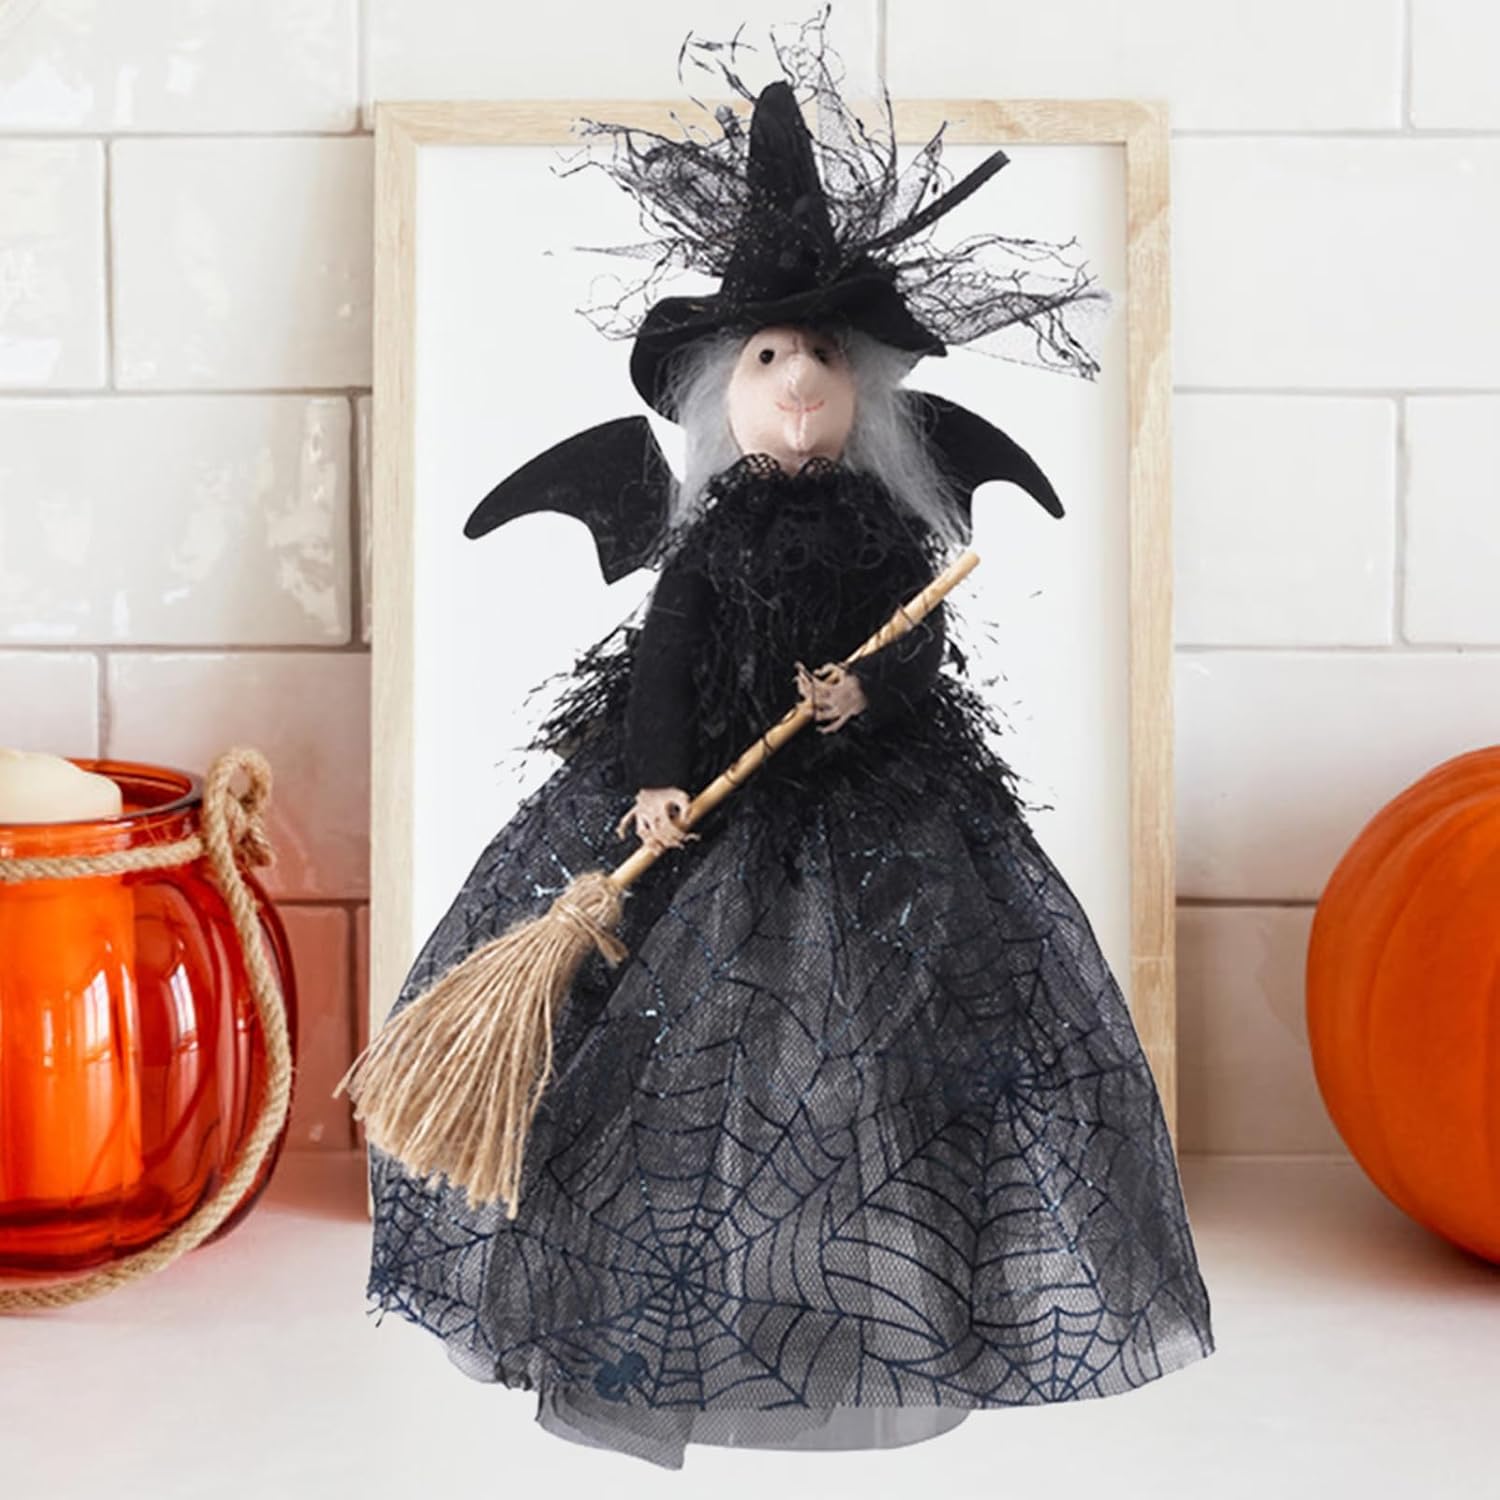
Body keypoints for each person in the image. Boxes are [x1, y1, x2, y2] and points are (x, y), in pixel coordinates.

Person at [365, 22, 1214, 1470]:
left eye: (822, 354)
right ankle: (654, 1266)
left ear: (862, 378)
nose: (800, 379)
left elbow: (918, 647)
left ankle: (875, 1269)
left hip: (873, 802)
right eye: (769, 356)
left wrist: (864, 697)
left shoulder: (888, 525)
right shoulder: (705, 538)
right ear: (725, 385)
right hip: (706, 801)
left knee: (877, 1039)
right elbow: (667, 660)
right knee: (667, 1035)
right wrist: (654, 775)